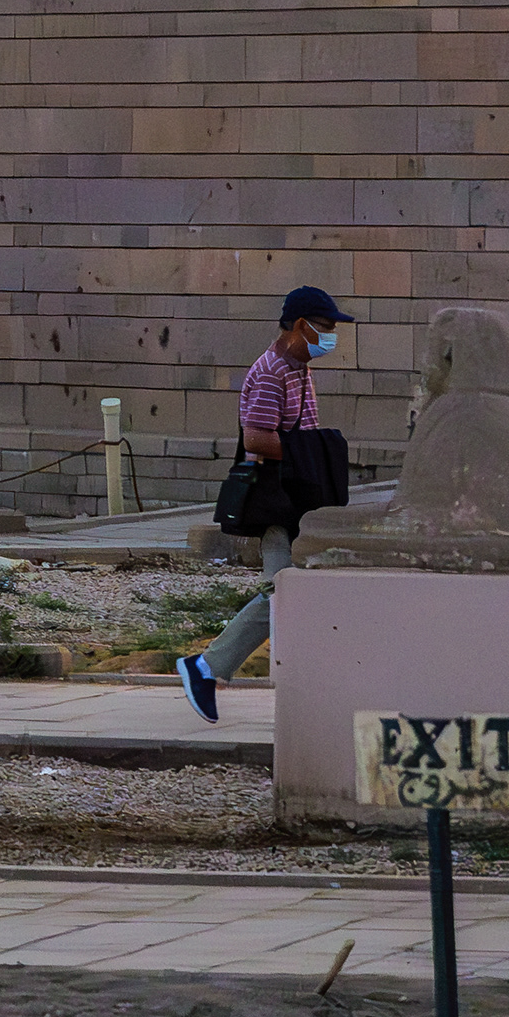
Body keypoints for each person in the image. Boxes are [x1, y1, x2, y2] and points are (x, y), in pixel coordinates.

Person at [179, 285, 348, 721]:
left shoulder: (298, 368)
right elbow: (255, 437)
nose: (331, 338)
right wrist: (309, 455)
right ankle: (207, 666)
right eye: (325, 328)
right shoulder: (274, 370)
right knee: (283, 592)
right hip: (279, 498)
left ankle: (312, 685)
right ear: (299, 326)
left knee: (297, 590)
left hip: (296, 495)